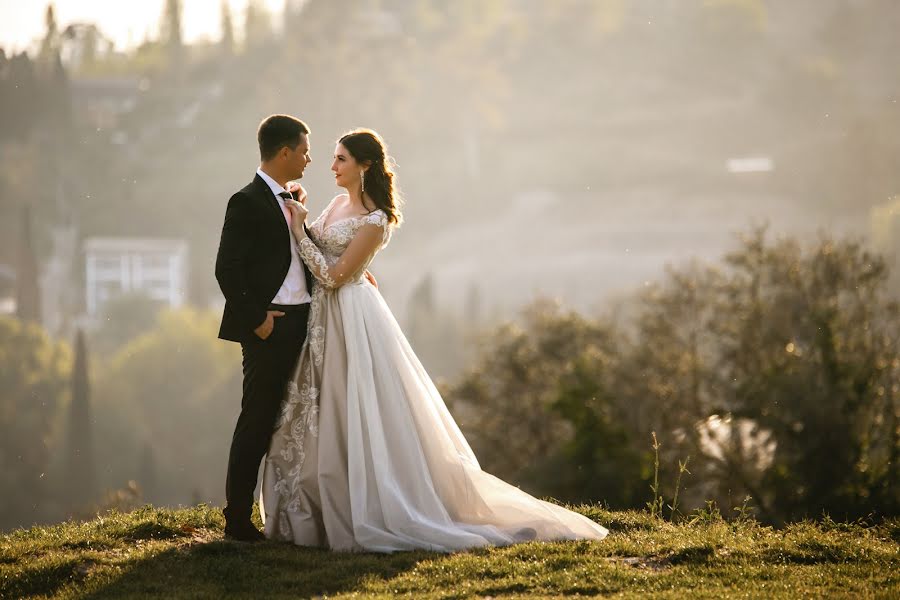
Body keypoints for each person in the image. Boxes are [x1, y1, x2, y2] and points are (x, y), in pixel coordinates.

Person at [260, 128, 608, 552]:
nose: (331, 167)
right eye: (333, 158)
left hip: (351, 315)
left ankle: (368, 506)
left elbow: (333, 276)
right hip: (323, 319)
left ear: (365, 166)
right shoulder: (334, 204)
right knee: (318, 409)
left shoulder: (376, 219)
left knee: (354, 406)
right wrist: (301, 219)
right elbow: (321, 252)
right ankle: (313, 507)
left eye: (341, 159)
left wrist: (299, 231)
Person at [214, 114, 315, 542]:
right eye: (305, 150)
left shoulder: (292, 198)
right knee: (257, 418)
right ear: (285, 151)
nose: (310, 159)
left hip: (307, 325)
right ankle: (237, 519)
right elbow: (226, 269)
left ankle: (300, 511)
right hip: (270, 327)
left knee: (301, 419)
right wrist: (257, 321)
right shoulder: (247, 200)